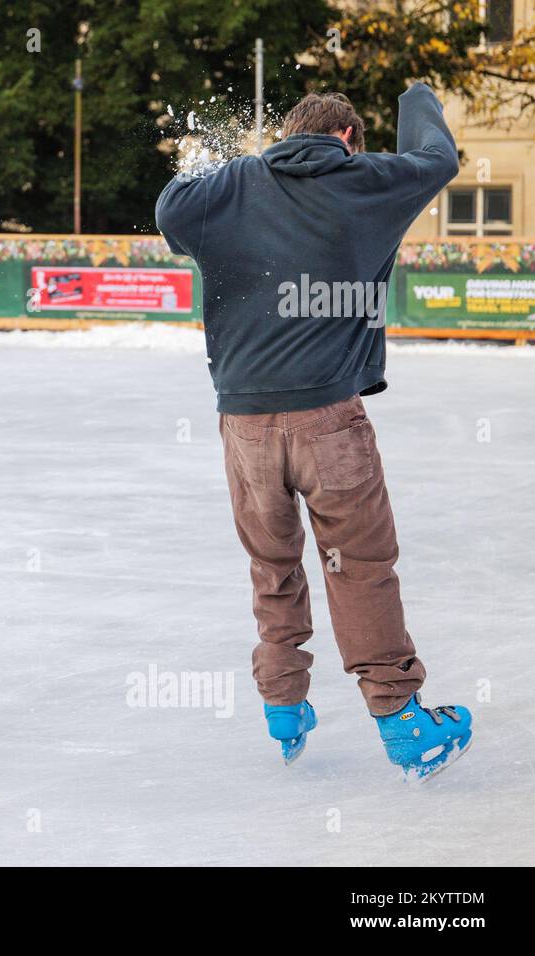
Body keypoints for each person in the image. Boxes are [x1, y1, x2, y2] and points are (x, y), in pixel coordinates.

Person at [154, 83, 473, 780]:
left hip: (242, 425)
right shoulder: (368, 180)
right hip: (329, 420)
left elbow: (170, 207)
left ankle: (283, 704)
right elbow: (438, 158)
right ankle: (403, 723)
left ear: (287, 135)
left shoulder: (236, 182)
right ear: (349, 138)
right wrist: (417, 96)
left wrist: (217, 159)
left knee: (273, 564)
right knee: (356, 566)